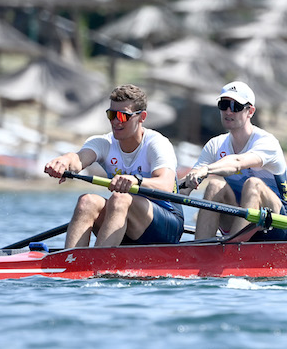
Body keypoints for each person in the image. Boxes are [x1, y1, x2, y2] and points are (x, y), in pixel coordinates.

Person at [44, 84, 184, 248]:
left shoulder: (156, 143)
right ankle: (70, 262)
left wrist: (135, 181)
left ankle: (97, 266)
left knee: (120, 198)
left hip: (165, 226)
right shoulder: (103, 143)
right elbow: (78, 160)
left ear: (142, 117)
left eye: (123, 116)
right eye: (111, 114)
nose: (116, 121)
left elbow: (166, 186)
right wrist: (65, 161)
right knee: (87, 201)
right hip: (123, 222)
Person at [182, 80, 287, 240]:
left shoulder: (266, 142)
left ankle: (231, 252)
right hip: (239, 219)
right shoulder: (215, 145)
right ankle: (200, 252)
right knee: (214, 185)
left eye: (236, 107)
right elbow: (183, 188)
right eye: (224, 105)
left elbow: (237, 163)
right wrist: (148, 187)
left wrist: (206, 170)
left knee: (253, 184)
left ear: (250, 111)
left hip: (277, 224)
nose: (228, 111)